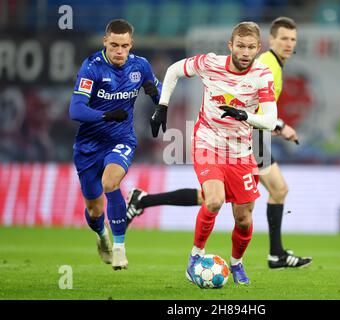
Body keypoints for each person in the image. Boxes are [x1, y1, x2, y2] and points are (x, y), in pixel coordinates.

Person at [126, 17, 313, 270]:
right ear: (269, 42)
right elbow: (249, 106)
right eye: (284, 39)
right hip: (244, 138)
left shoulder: (271, 68)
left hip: (245, 135)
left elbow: (259, 111)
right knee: (259, 193)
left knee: (216, 197)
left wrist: (275, 125)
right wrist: (276, 125)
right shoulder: (266, 64)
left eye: (293, 40)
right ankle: (275, 253)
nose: (289, 44)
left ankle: (144, 200)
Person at [149, 22, 278, 285]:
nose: (245, 52)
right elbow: (174, 70)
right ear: (230, 46)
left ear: (258, 48)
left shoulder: (262, 75)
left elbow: (271, 120)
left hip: (241, 153)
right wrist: (163, 105)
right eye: (240, 46)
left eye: (250, 47)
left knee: (243, 219)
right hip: (208, 142)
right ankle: (195, 257)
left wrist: (245, 115)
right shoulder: (210, 63)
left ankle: (237, 264)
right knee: (214, 200)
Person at [69, 19, 161, 270]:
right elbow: (75, 110)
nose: (119, 51)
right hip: (88, 145)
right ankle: (102, 237)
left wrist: (157, 95)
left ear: (131, 44)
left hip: (121, 139)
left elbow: (159, 95)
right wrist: (106, 115)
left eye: (124, 46)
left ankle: (120, 248)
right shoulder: (92, 67)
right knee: (95, 210)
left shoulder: (140, 66)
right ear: (105, 42)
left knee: (111, 182)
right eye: (114, 45)